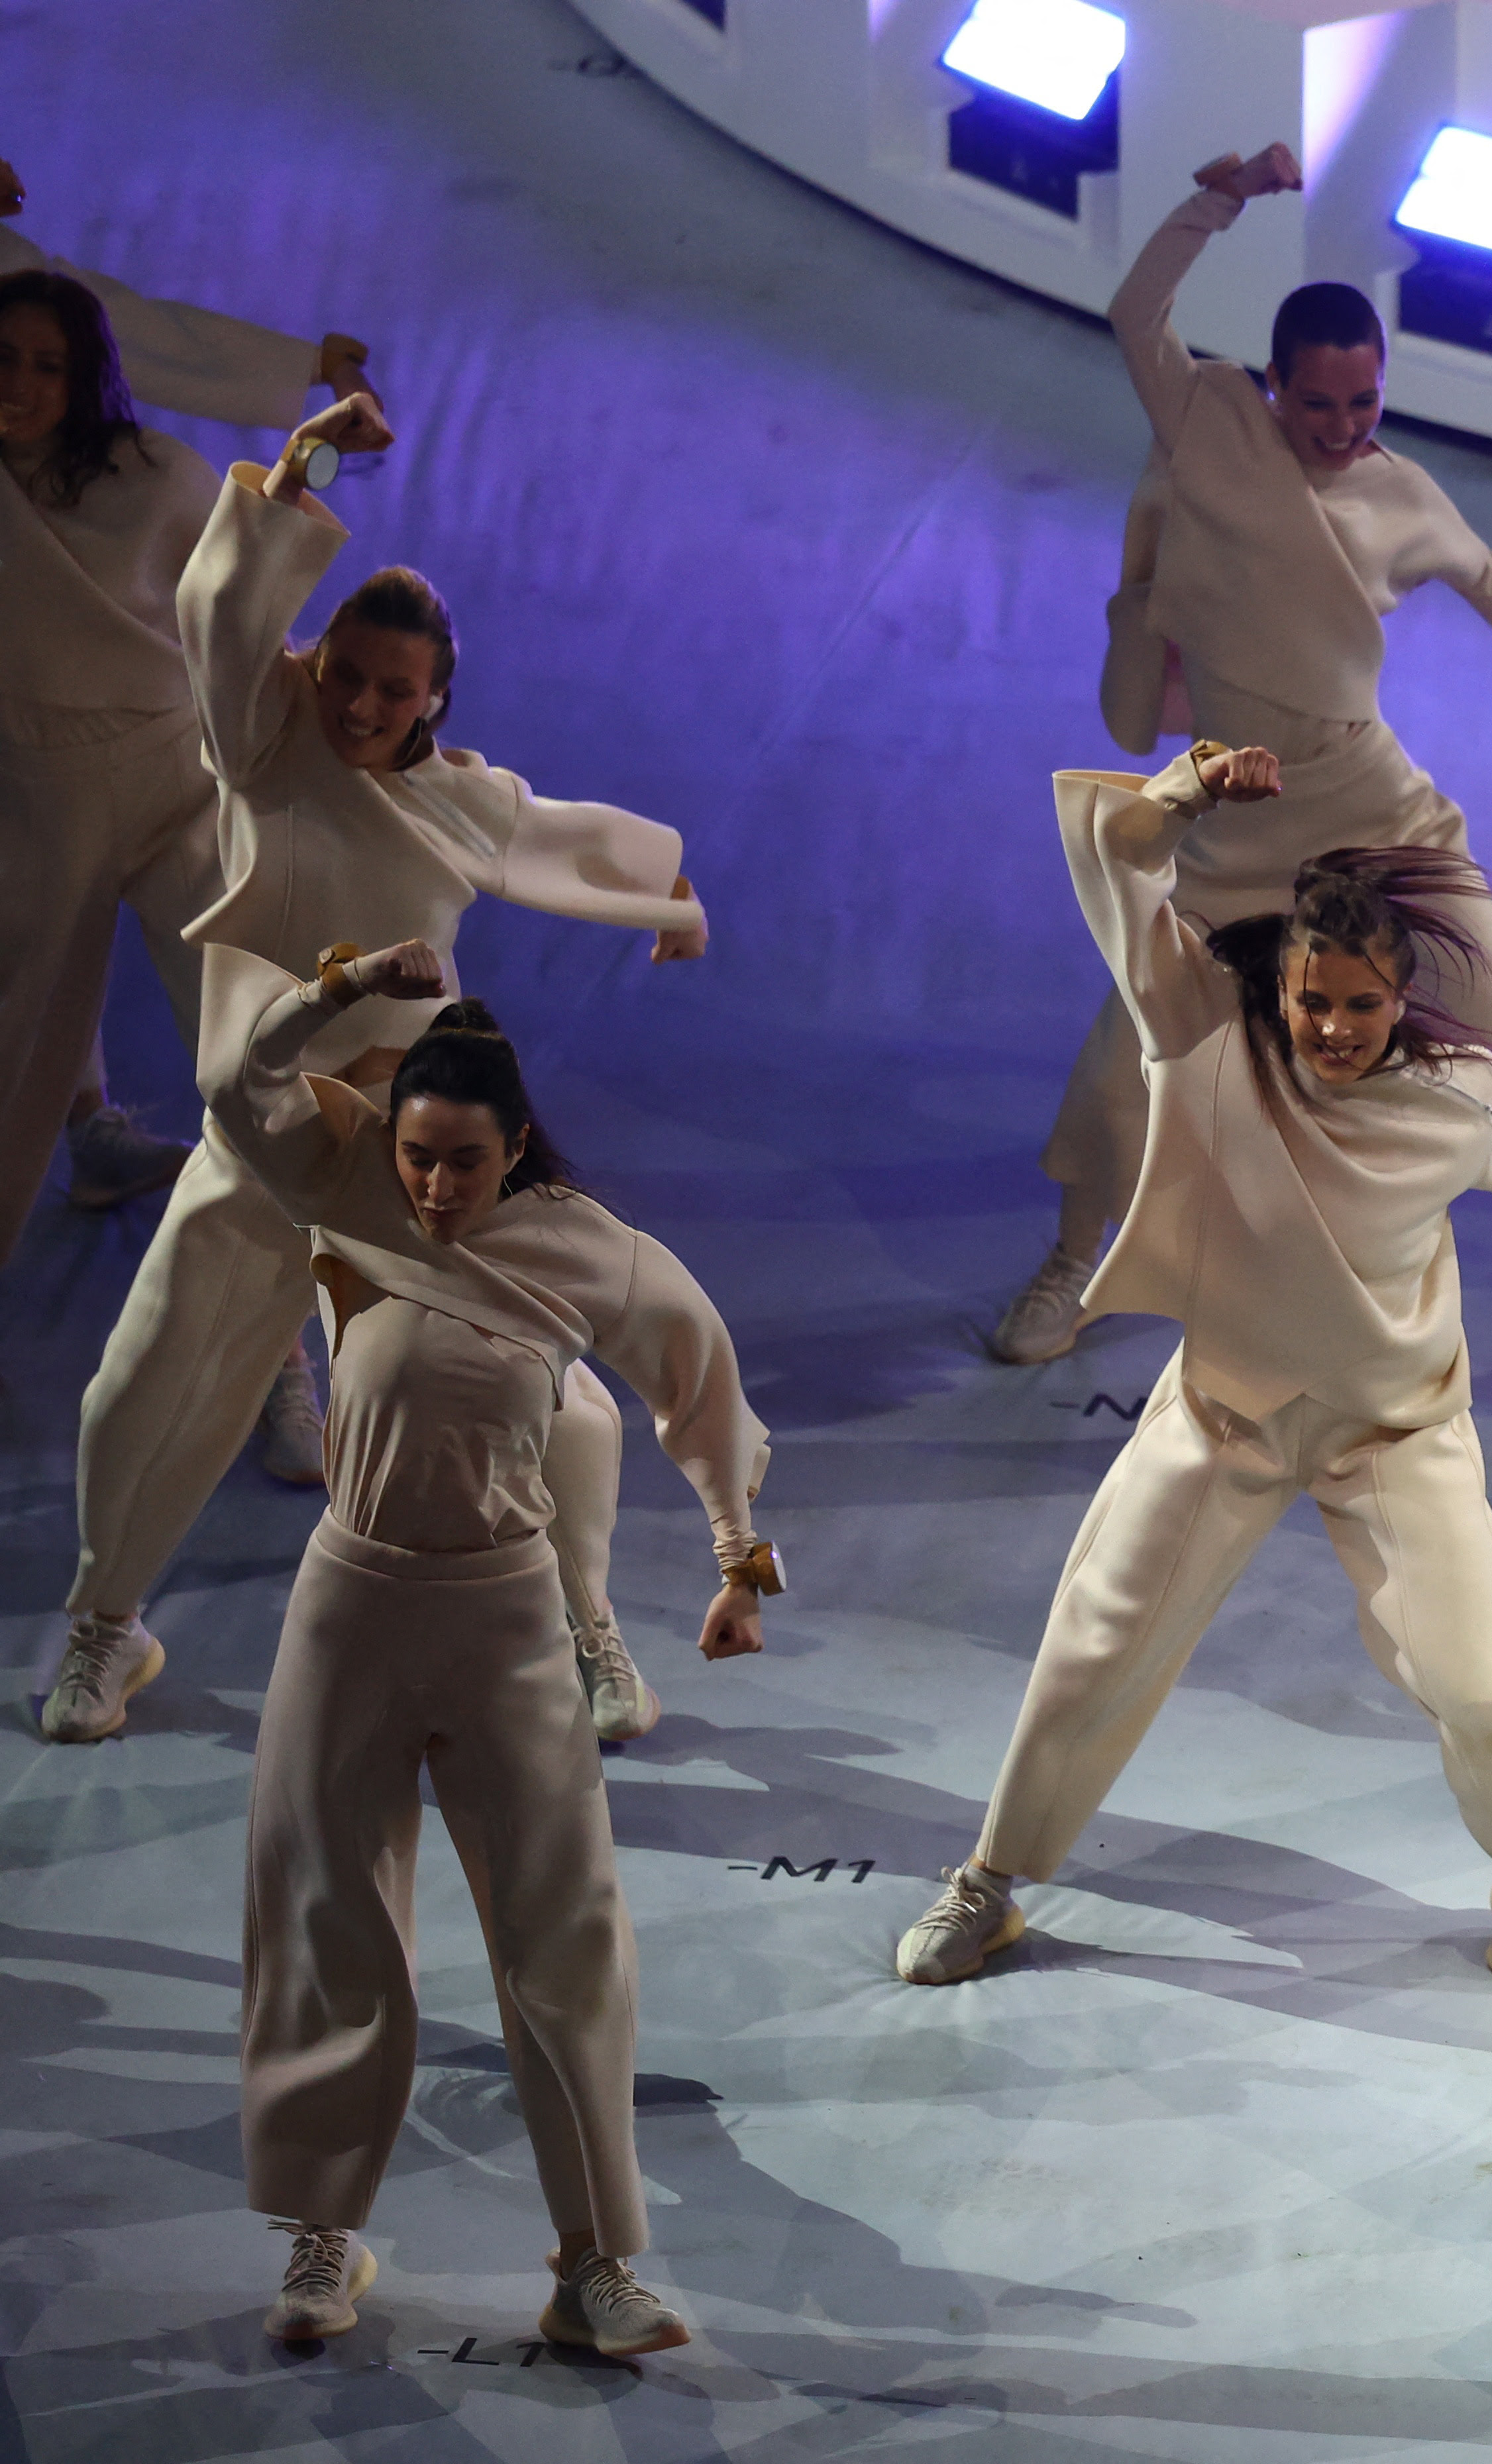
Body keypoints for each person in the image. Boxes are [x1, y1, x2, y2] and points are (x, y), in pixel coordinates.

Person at [900, 752, 1492, 1993]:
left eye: (1360, 1007)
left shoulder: (1458, 1098)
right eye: (1313, 1000)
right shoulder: (1206, 1037)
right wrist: (1191, 783)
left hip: (1397, 1428)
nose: (1331, 1028)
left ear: (1399, 998)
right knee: (1094, 1644)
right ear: (1286, 982)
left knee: (1484, 1686)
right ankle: (991, 1879)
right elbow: (1116, 865)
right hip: (1229, 1409)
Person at [40, 391, 711, 1754]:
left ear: (435, 701)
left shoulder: (457, 797)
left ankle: (584, 1626)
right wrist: (303, 467)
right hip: (261, 1131)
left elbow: (570, 840)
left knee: (541, 1386)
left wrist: (674, 900)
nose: (357, 704)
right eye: (343, 671)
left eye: (390, 690)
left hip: (407, 1158)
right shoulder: (263, 731)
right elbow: (220, 615)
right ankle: (108, 1624)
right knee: (147, 1385)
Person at [992, 142, 1492, 1380]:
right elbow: (1134, 308)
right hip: (1232, 808)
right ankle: (1074, 1264)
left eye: (1366, 405)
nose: (1346, 428)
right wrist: (1223, 198)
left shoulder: (1401, 492)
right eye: (1320, 405)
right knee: (1129, 1055)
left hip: (1375, 803)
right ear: (1269, 385)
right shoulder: (1203, 422)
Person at [205, 939, 777, 2353]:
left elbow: (701, 1383)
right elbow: (234, 1084)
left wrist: (732, 1555)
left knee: (562, 1933)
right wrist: (334, 996)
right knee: (327, 1911)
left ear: (514, 1148)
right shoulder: (343, 1183)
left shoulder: (585, 1247)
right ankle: (322, 2241)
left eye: (464, 1162)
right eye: (417, 1157)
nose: (435, 1187)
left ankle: (594, 2266)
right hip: (349, 1608)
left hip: (508, 1620)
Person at [0, 162, 375, 1238]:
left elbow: (121, 329)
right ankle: (84, 1124)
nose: (22, 383)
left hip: (168, 765)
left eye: (44, 369)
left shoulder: (145, 471)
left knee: (255, 1025)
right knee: (21, 1022)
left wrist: (302, 387)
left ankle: (284, 1345)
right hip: (32, 777)